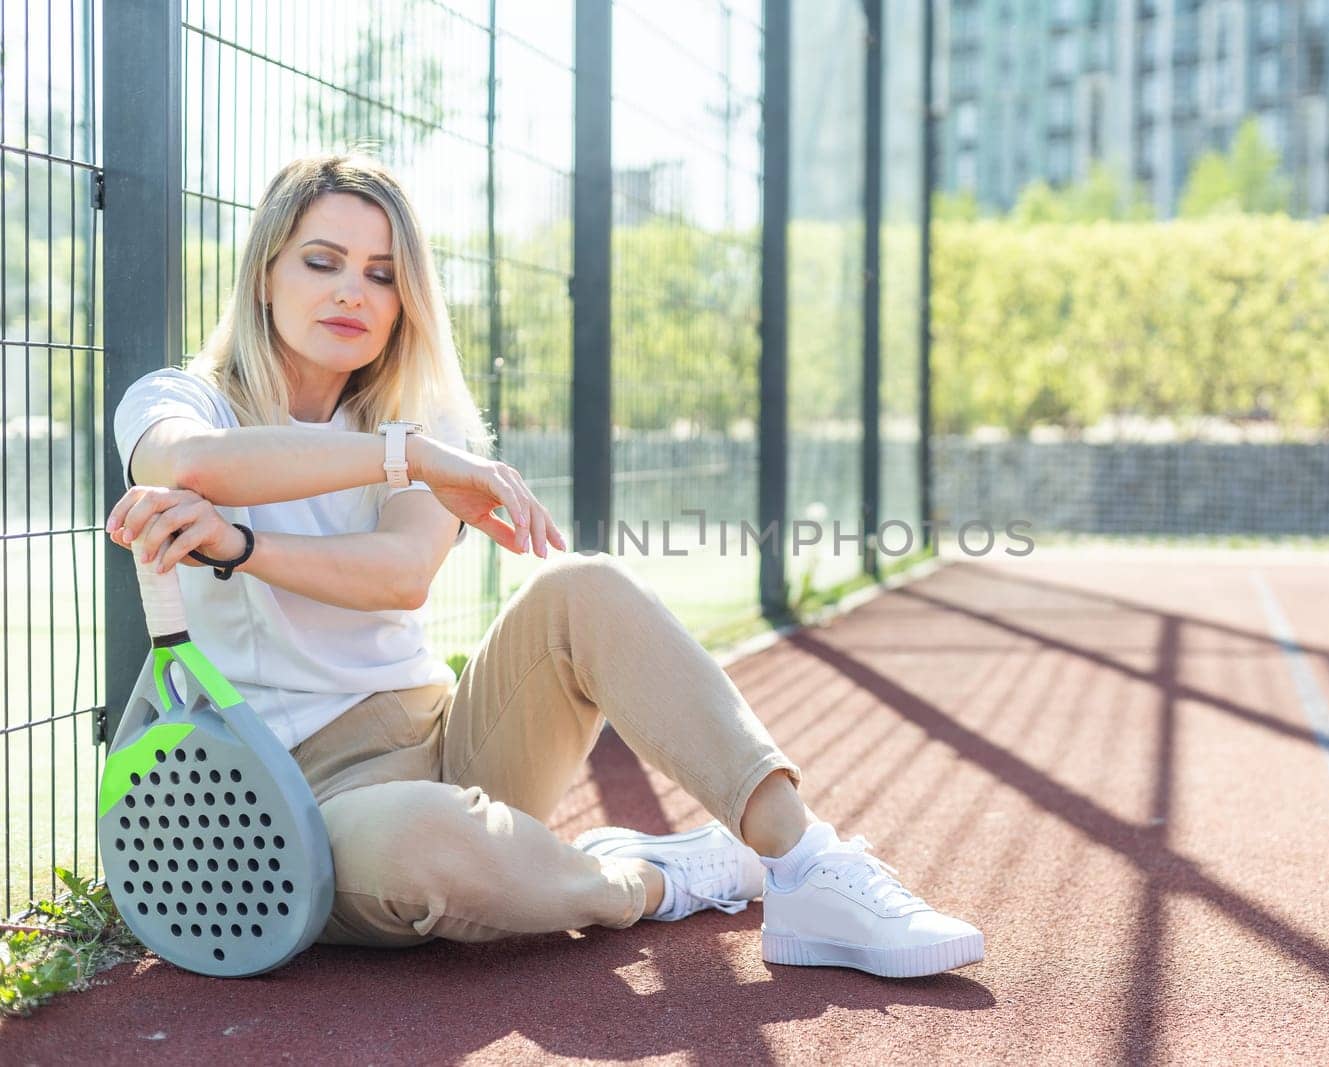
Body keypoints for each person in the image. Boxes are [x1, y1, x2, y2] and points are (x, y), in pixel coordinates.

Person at [105, 154, 982, 979]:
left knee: (584, 588)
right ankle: (642, 879)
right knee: (423, 841)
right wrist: (406, 459)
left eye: (381, 275)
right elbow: (191, 464)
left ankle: (805, 865)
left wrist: (251, 539)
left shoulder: (418, 420)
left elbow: (399, 572)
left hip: (441, 738)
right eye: (323, 261)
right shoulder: (177, 397)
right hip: (287, 797)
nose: (352, 292)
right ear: (266, 272)